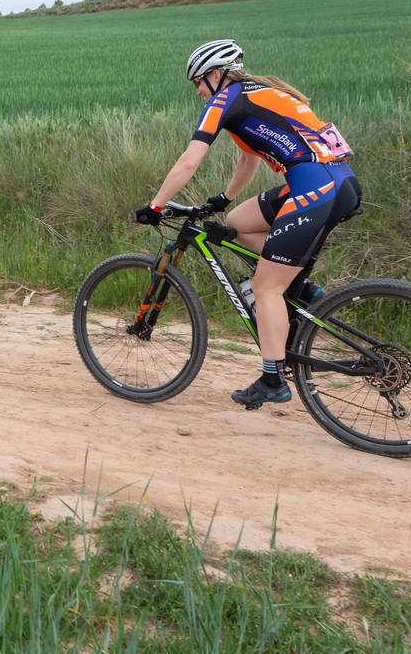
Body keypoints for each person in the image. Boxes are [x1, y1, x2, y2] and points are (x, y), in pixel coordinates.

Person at [134, 39, 362, 409]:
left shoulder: (225, 99)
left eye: (197, 83)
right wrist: (224, 199)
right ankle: (303, 291)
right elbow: (248, 159)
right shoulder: (261, 93)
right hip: (337, 182)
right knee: (237, 221)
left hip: (317, 188)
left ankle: (273, 380)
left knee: (266, 286)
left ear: (216, 74)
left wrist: (156, 206)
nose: (197, 92)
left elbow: (189, 161)